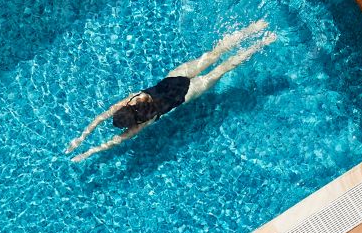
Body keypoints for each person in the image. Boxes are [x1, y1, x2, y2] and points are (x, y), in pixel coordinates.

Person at [67, 20, 276, 163]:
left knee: (224, 67)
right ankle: (254, 28)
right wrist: (81, 137)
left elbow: (112, 143)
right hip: (174, 78)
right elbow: (99, 118)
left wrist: (88, 152)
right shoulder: (131, 100)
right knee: (215, 53)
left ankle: (262, 42)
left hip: (185, 94)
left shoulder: (141, 124)